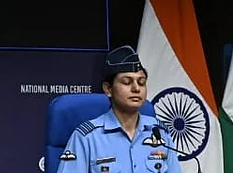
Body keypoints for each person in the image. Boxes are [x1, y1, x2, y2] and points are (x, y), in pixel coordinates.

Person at [57, 45, 177, 173]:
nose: (136, 88)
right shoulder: (86, 138)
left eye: (141, 82)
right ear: (108, 89)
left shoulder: (160, 133)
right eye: (127, 82)